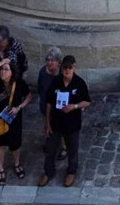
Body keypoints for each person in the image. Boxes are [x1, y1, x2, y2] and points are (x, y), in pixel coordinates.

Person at [0, 39, 31, 180]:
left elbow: (29, 97)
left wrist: (19, 107)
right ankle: (1, 168)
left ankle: (16, 164)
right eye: (3, 69)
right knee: (0, 144)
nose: (4, 71)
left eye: (6, 69)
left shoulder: (19, 83)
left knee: (15, 145)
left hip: (13, 118)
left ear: (12, 71)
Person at [40, 52, 91, 187]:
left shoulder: (79, 83)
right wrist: (47, 123)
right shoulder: (56, 82)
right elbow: (49, 103)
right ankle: (48, 172)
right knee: (51, 149)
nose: (67, 70)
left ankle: (71, 172)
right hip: (56, 122)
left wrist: (74, 106)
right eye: (64, 68)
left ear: (74, 68)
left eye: (69, 68)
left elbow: (87, 102)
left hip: (72, 124)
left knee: (72, 150)